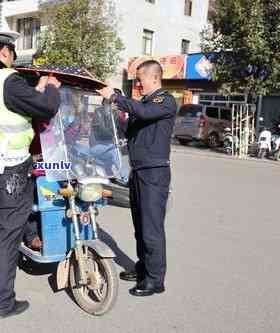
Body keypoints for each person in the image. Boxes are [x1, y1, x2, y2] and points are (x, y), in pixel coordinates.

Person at [0, 30, 61, 319]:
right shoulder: (7, 80)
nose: (13, 60)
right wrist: (50, 86)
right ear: (5, 52)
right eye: (12, 54)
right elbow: (47, 107)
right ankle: (3, 302)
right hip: (11, 171)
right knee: (6, 237)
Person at [97, 60, 177, 297]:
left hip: (154, 173)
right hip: (138, 171)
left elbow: (142, 112)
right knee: (140, 226)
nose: (138, 84)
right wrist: (113, 112)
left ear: (154, 78)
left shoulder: (164, 101)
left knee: (152, 228)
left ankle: (155, 279)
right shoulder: (143, 104)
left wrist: (116, 97)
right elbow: (126, 130)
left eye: (140, 79)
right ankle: (143, 268)